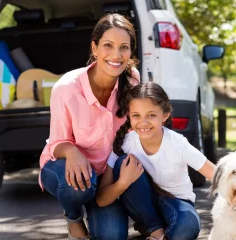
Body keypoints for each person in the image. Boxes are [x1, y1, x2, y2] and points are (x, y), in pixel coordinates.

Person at [39, 14, 140, 240]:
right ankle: (73, 217)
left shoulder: (132, 79)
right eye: (108, 45)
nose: (116, 55)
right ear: (94, 48)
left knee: (112, 237)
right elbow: (56, 144)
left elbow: (132, 132)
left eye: (123, 47)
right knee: (79, 187)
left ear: (130, 51)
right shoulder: (66, 88)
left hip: (107, 175)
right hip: (66, 169)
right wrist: (72, 151)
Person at [96, 82, 216, 240]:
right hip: (142, 205)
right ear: (129, 116)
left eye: (151, 115)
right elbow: (101, 200)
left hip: (176, 203)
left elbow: (215, 173)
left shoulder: (176, 143)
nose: (143, 122)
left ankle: (157, 236)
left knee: (187, 227)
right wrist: (123, 182)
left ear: (165, 115)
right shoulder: (125, 144)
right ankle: (156, 231)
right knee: (124, 163)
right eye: (136, 115)